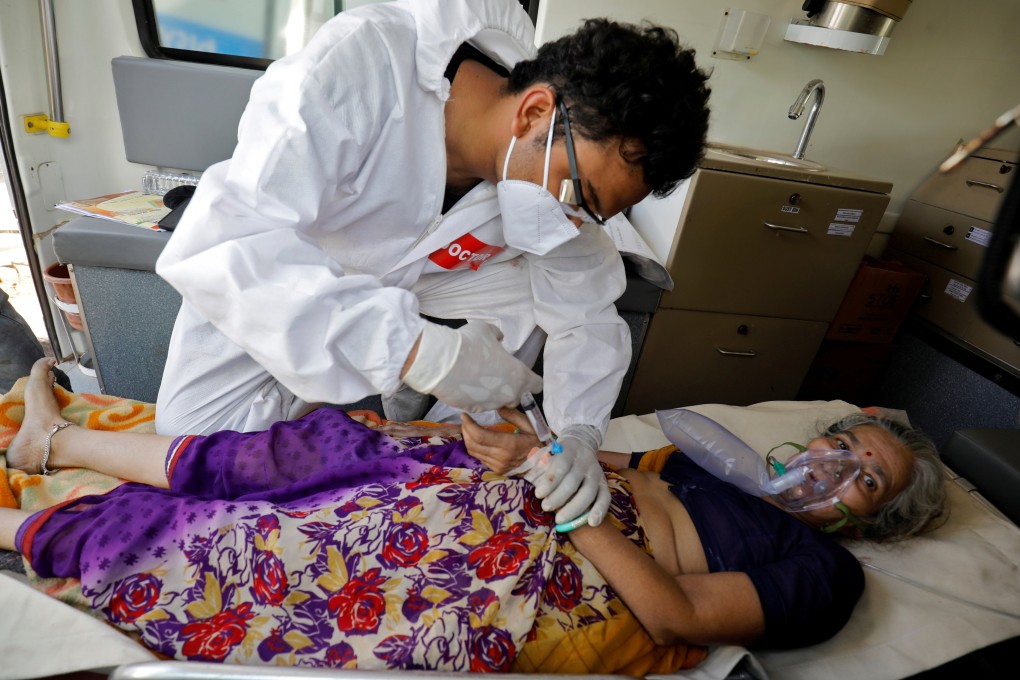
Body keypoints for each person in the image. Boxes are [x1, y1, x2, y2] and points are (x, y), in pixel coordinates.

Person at [2, 358, 946, 672]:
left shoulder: (827, 574)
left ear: (871, 524)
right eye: (846, 445)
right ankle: (56, 444)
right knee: (314, 448)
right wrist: (522, 446)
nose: (834, 469)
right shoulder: (718, 467)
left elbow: (676, 618)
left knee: (256, 550)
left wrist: (566, 500)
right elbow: (598, 459)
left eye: (863, 480)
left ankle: (19, 531)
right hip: (531, 487)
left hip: (556, 554)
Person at [152, 0, 712, 529]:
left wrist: (581, 435)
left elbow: (586, 313)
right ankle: (379, 373)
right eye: (580, 195)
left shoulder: (555, 177)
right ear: (535, 111)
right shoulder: (362, 66)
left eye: (596, 214)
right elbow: (226, 243)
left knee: (535, 292)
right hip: (294, 263)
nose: (575, 222)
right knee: (192, 438)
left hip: (437, 277)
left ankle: (447, 430)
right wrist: (423, 353)